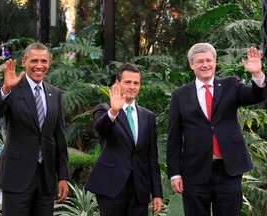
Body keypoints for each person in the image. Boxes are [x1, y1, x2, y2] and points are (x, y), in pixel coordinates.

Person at [166, 42, 266, 216]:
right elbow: (174, 136)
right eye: (200, 61)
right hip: (195, 170)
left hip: (228, 169)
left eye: (209, 60)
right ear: (192, 65)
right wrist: (174, 173)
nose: (205, 64)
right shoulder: (180, 95)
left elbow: (255, 96)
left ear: (215, 62)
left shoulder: (231, 85)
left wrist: (257, 74)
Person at [0, 42, 70, 216]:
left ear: (49, 63)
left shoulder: (54, 93)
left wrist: (63, 176)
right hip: (17, 176)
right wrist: (6, 89)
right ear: (24, 62)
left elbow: (59, 137)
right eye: (34, 61)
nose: (39, 66)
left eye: (44, 61)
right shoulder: (13, 88)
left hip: (46, 179)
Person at [85, 63, 163, 216]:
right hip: (111, 186)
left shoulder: (148, 116)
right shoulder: (104, 109)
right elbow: (100, 128)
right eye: (127, 82)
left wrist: (157, 193)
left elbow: (151, 157)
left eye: (136, 83)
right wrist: (114, 111)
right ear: (117, 84)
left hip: (139, 189)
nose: (132, 87)